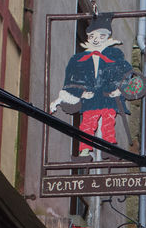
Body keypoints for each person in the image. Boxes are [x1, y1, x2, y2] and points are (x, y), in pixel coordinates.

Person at [48, 13, 136, 157]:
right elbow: (70, 80)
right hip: (90, 98)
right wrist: (81, 93)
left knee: (108, 122)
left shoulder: (115, 56)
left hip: (108, 97)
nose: (96, 40)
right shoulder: (78, 59)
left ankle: (109, 149)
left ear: (107, 37)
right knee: (87, 123)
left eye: (101, 36)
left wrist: (119, 90)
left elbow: (127, 74)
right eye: (92, 36)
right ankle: (84, 152)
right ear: (88, 37)